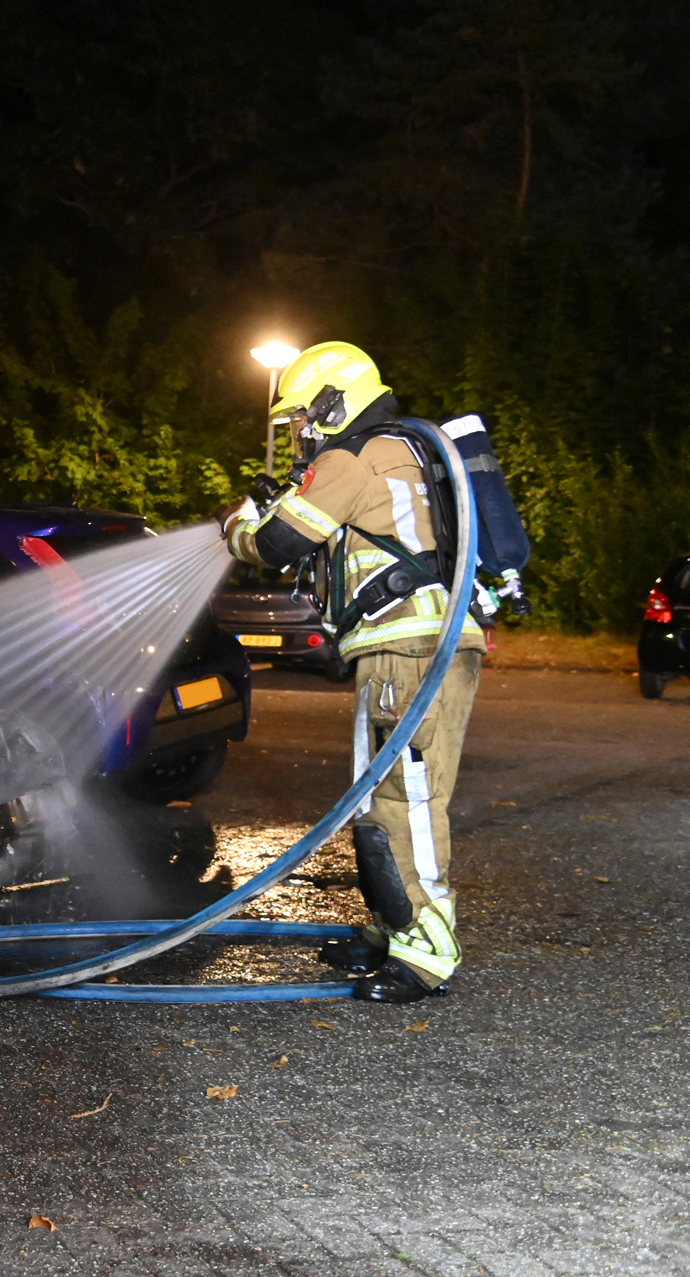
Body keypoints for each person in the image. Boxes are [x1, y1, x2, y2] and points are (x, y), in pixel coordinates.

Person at [220, 342, 485, 1004]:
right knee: (381, 794)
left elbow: (276, 544)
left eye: (309, 414)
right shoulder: (396, 453)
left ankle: (427, 947)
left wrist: (239, 525)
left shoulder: (351, 457)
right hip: (411, 642)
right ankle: (392, 925)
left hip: (410, 646)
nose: (305, 430)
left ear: (337, 401)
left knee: (406, 796)